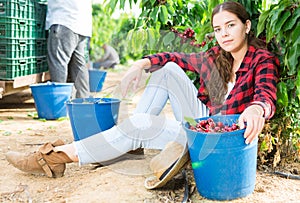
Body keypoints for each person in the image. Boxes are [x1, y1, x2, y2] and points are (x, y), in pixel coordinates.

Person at [5, 2, 279, 189]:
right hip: (202, 123)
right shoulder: (217, 57)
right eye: (218, 29)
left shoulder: (262, 60)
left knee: (140, 125)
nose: (223, 34)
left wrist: (256, 109)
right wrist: (141, 63)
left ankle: (56, 157)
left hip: (219, 141)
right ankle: (128, 141)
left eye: (230, 26)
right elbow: (175, 57)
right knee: (168, 69)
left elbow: (266, 95)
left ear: (247, 26)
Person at [46, 0, 92, 98]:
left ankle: (61, 102)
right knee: (79, 65)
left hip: (64, 20)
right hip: (81, 23)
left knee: (58, 63)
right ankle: (84, 102)